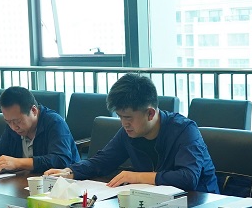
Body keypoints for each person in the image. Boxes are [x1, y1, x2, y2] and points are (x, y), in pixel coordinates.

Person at [46, 74, 218, 192]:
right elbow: (103, 161)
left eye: (128, 118)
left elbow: (188, 178)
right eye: (120, 117)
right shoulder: (128, 132)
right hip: (155, 203)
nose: (124, 123)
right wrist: (70, 171)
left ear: (150, 113)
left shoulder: (185, 130)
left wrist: (136, 177)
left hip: (199, 204)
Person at [0, 86, 80, 173]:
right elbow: (0, 150)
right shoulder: (13, 124)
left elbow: (61, 160)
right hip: (25, 182)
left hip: (61, 185)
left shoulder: (54, 122)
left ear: (33, 111)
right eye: (8, 122)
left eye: (18, 121)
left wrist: (18, 163)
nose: (13, 127)